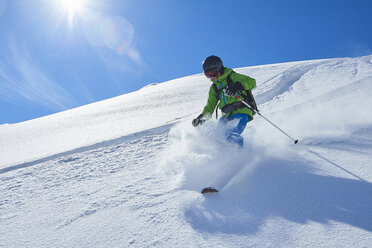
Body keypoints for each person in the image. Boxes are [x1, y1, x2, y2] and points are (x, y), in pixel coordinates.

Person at [192, 55, 257, 147]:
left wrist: (237, 86)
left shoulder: (233, 77)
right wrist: (201, 118)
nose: (211, 77)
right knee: (216, 138)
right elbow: (210, 106)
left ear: (220, 69)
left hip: (241, 112)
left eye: (213, 73)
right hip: (226, 116)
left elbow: (252, 82)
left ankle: (239, 156)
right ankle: (221, 158)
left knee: (230, 134)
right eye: (207, 75)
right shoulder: (214, 87)